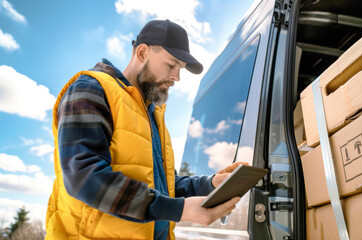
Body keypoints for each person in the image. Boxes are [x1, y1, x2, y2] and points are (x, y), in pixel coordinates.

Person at [45, 19, 244, 240]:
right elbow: (83, 177)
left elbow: (163, 185)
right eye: (171, 65)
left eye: (181, 70)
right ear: (141, 53)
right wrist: (179, 209)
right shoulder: (91, 89)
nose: (176, 77)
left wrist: (210, 183)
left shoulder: (152, 115)